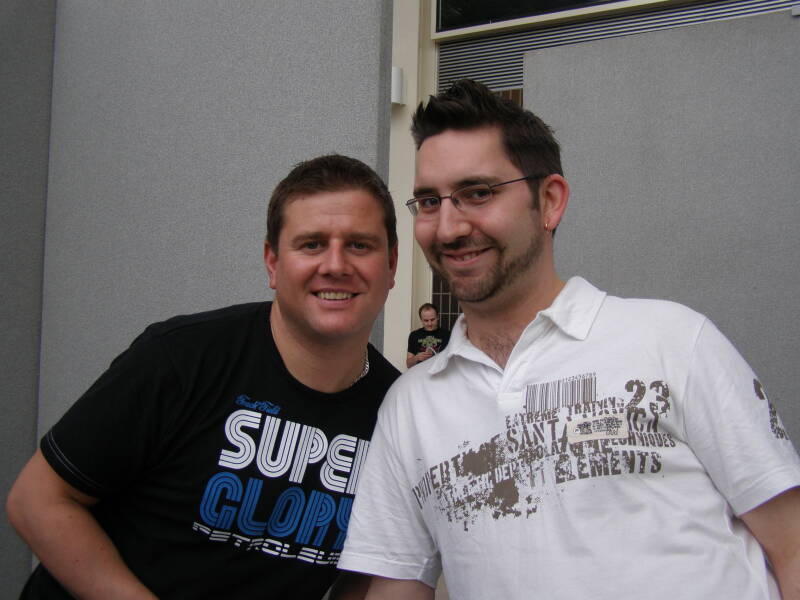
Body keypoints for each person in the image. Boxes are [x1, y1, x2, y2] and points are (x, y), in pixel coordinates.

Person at [337, 80, 800, 599]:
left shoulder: (672, 342)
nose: (447, 228)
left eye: (478, 193)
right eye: (428, 201)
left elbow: (793, 543)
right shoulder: (410, 407)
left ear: (550, 201)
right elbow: (396, 587)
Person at [6, 154, 399, 599]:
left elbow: (364, 572)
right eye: (311, 244)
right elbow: (37, 500)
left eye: (359, 245)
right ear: (272, 263)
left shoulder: (399, 411)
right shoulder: (182, 357)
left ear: (391, 265)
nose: (335, 265)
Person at [406, 303, 450, 368]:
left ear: (438, 317)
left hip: (440, 372)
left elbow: (453, 361)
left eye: (432, 320)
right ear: (421, 320)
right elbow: (408, 364)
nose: (429, 323)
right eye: (426, 320)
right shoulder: (414, 335)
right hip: (419, 373)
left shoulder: (448, 335)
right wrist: (416, 358)